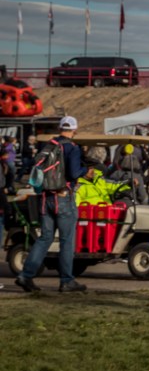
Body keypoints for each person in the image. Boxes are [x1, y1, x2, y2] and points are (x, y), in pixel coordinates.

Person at [15, 116, 87, 293]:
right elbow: (74, 172)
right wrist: (86, 170)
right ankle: (66, 280)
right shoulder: (72, 148)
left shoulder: (49, 145)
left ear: (60, 128)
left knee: (44, 239)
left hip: (45, 197)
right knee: (66, 241)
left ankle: (26, 275)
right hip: (63, 197)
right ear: (74, 130)